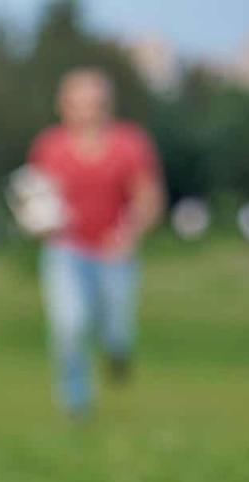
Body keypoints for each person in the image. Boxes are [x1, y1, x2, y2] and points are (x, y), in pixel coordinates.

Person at [27, 67, 165, 416]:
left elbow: (149, 198)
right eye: (78, 104)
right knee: (69, 326)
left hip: (114, 252)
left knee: (117, 330)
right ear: (64, 106)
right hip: (66, 249)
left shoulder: (129, 143)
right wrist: (39, 224)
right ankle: (77, 405)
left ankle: (117, 353)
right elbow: (36, 200)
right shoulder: (49, 146)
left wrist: (129, 232)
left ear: (107, 105)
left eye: (94, 103)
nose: (87, 112)